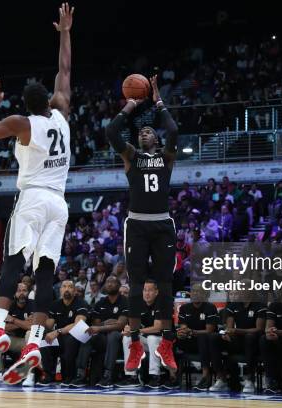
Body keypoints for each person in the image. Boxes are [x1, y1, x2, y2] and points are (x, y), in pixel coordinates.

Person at [0, 3, 74, 385]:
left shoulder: (20, 123)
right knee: (45, 276)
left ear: (24, 106)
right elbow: (64, 71)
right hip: (59, 204)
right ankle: (34, 343)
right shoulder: (61, 113)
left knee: (13, 267)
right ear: (49, 100)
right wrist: (64, 31)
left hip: (31, 198)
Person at [105, 73, 179, 376]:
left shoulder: (167, 158)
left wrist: (158, 99)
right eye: (141, 132)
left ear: (157, 139)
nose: (143, 134)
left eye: (148, 132)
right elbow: (112, 132)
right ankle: (135, 342)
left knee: (164, 285)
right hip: (136, 224)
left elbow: (173, 129)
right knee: (135, 285)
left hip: (162, 223)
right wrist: (130, 106)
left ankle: (167, 343)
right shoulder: (131, 157)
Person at [119, 279, 178, 389]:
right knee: (128, 338)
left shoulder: (162, 303)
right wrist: (128, 329)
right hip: (148, 340)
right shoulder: (138, 304)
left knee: (152, 338)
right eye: (145, 290)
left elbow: (157, 328)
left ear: (156, 292)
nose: (147, 293)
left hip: (165, 341)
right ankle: (132, 377)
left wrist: (136, 331)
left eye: (150, 290)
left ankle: (155, 376)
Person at [71, 276, 128, 387]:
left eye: (113, 282)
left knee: (113, 334)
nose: (110, 284)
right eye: (107, 282)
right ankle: (80, 375)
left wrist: (101, 327)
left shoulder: (125, 301)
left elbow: (120, 325)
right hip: (102, 338)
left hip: (120, 339)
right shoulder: (101, 302)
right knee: (87, 335)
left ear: (118, 285)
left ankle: (108, 375)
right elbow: (96, 324)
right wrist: (105, 323)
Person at [209, 282, 266, 392]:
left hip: (254, 342)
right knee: (214, 337)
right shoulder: (233, 306)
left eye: (244, 288)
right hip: (237, 341)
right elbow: (230, 327)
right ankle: (222, 378)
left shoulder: (260, 306)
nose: (241, 291)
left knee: (250, 337)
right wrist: (227, 334)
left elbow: (259, 329)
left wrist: (237, 331)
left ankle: (250, 379)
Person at [39, 279, 88, 386]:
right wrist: (38, 317)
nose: (67, 289)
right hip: (61, 336)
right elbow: (49, 325)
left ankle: (69, 376)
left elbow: (78, 324)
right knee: (44, 341)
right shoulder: (55, 304)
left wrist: (57, 331)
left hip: (78, 336)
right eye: (64, 286)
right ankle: (49, 375)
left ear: (75, 291)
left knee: (70, 341)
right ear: (60, 290)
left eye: (70, 287)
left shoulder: (81, 303)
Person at [0, 283, 37, 386]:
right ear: (14, 293)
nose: (22, 293)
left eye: (24, 290)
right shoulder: (8, 306)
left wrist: (13, 320)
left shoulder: (33, 304)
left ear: (28, 293)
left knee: (29, 333)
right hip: (15, 341)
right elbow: (1, 327)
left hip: (29, 342)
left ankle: (30, 375)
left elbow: (32, 326)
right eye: (19, 291)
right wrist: (23, 323)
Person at [175, 284, 220, 391]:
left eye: (199, 292)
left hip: (207, 343)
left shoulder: (210, 307)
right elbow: (183, 327)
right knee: (172, 337)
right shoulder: (184, 308)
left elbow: (209, 330)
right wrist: (182, 332)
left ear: (204, 295)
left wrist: (192, 331)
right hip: (189, 340)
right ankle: (173, 376)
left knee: (203, 338)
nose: (195, 294)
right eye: (193, 291)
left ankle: (206, 376)